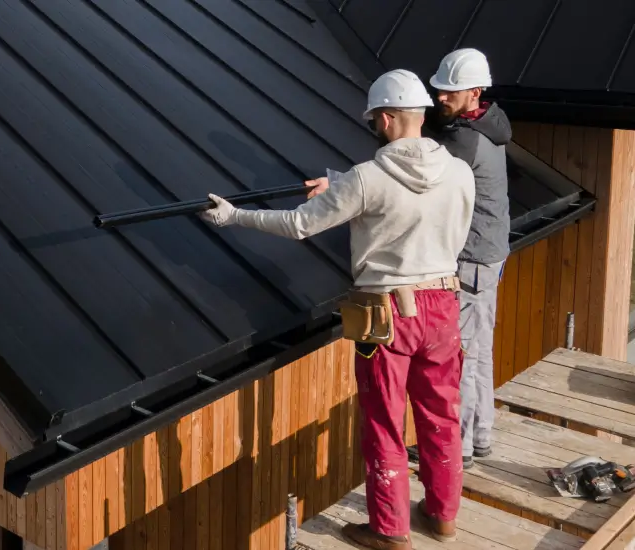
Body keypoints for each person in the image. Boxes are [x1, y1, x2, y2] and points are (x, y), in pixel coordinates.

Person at [200, 69, 474, 549]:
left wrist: (234, 216)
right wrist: (341, 186)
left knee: (385, 421)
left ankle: (390, 531)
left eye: (374, 119)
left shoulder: (368, 180)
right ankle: (443, 516)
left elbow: (301, 224)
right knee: (441, 415)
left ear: (386, 118)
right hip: (445, 305)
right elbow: (422, 210)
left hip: (387, 314)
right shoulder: (459, 170)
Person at [425, 48, 512, 469]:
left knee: (460, 355)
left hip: (473, 260)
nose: (439, 97)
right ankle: (479, 437)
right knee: (479, 350)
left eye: (449, 91)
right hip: (488, 256)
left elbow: (422, 175)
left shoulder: (465, 141)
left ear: (475, 92)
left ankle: (456, 450)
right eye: (438, 89)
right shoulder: (489, 126)